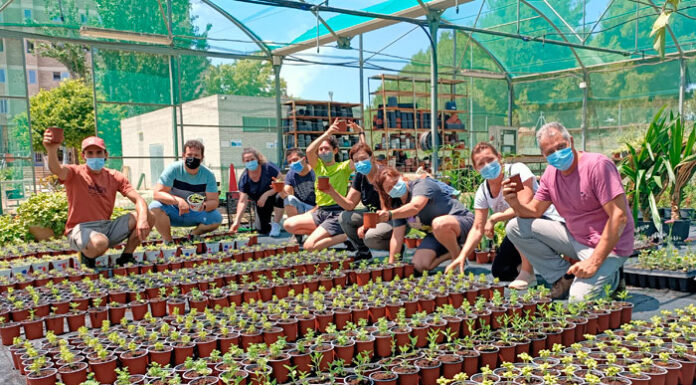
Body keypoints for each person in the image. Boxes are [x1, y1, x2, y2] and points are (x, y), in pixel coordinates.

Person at [503, 122, 633, 301]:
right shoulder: (551, 174)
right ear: (543, 155)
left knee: (579, 300)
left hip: (609, 244)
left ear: (571, 141)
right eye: (550, 152)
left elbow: (619, 216)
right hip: (576, 237)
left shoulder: (598, 166)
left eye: (561, 147)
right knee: (516, 227)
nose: (557, 154)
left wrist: (593, 262)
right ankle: (563, 277)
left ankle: (614, 277)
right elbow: (533, 211)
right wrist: (514, 203)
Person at [445, 142, 564, 289]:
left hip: (546, 222)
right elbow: (477, 228)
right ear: (476, 169)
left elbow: (524, 207)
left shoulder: (514, 172)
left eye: (490, 160)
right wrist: (462, 256)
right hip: (521, 231)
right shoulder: (483, 191)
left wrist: (494, 218)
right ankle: (527, 263)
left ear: (499, 158)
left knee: (518, 220)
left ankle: (528, 273)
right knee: (501, 270)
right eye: (481, 163)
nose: (487, 165)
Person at [43, 133, 153, 266]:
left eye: (99, 152)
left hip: (106, 227)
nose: (95, 157)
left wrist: (142, 219)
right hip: (80, 229)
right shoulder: (75, 172)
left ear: (105, 155)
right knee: (100, 242)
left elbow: (139, 200)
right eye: (90, 153)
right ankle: (86, 255)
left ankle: (126, 257)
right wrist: (51, 150)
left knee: (149, 215)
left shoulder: (114, 176)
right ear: (84, 156)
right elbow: (57, 169)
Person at [374, 167, 474, 272]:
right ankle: (457, 250)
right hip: (436, 234)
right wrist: (391, 265)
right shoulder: (397, 205)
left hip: (462, 223)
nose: (394, 187)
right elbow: (397, 237)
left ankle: (457, 258)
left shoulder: (422, 185)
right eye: (389, 188)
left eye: (395, 182)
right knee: (420, 265)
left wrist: (390, 214)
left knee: (439, 224)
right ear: (385, 192)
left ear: (402, 177)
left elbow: (415, 206)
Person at [283, 119, 353, 250]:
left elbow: (362, 157)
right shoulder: (318, 166)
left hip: (336, 212)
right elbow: (309, 151)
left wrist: (360, 133)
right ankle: (329, 234)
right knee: (288, 224)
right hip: (320, 212)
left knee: (309, 246)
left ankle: (348, 235)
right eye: (320, 149)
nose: (323, 151)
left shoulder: (343, 167)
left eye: (326, 148)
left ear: (335, 151)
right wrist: (328, 132)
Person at [150, 140, 222, 242]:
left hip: (196, 213)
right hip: (174, 211)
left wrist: (203, 206)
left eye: (196, 155)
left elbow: (214, 201)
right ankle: (168, 241)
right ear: (183, 156)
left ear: (202, 158)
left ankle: (193, 234)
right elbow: (157, 193)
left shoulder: (208, 175)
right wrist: (178, 201)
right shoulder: (173, 169)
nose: (192, 158)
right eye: (189, 154)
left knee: (216, 218)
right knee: (154, 207)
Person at [336, 141, 392, 260]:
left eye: (363, 158)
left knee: (370, 237)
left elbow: (386, 211)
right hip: (374, 216)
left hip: (393, 217)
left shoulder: (384, 175)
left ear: (372, 158)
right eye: (356, 161)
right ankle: (363, 252)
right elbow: (349, 205)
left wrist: (366, 226)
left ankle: (396, 248)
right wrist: (331, 191)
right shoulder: (360, 176)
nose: (360, 163)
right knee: (345, 217)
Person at [231, 147, 284, 237]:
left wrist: (266, 194)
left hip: (274, 195)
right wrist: (237, 221)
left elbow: (282, 184)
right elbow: (242, 201)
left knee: (280, 196)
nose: (250, 162)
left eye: (252, 159)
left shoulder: (269, 168)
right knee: (262, 229)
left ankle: (276, 223)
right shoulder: (244, 178)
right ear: (244, 162)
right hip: (261, 203)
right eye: (247, 161)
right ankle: (271, 222)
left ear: (258, 159)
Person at [283, 148, 316, 217]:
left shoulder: (315, 172)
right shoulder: (291, 174)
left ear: (304, 159)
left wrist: (311, 212)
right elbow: (286, 193)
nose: (292, 164)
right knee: (288, 199)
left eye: (295, 160)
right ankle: (294, 224)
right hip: (300, 206)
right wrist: (279, 189)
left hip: (315, 207)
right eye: (290, 162)